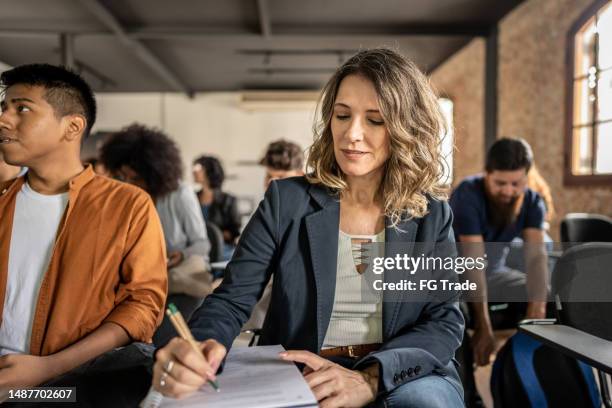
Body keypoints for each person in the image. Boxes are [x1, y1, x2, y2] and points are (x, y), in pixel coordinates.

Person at [153, 48, 465, 408]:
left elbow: (443, 321)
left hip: (401, 373)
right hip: (303, 367)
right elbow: (233, 297)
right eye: (342, 115)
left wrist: (369, 377)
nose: (352, 134)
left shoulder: (432, 214)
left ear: (405, 127)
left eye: (375, 120)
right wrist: (203, 343)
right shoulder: (286, 201)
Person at [0, 64, 167, 389]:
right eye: (4, 108)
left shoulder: (128, 206)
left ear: (72, 127)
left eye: (22, 108)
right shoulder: (4, 201)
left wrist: (46, 369)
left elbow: (142, 307)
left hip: (72, 386)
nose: (4, 119)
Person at [450, 138, 549, 406]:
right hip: (454, 277)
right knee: (451, 314)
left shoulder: (532, 202)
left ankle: (537, 386)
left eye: (516, 184)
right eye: (500, 183)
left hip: (496, 274)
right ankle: (470, 399)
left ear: (526, 178)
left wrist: (536, 313)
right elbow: (473, 263)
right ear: (487, 174)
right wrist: (484, 327)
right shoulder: (467, 194)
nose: (508, 191)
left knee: (552, 300)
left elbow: (536, 259)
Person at [100, 124, 211, 346]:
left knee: (158, 339)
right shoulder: (127, 196)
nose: (129, 182)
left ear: (154, 171)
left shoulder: (180, 194)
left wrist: (180, 254)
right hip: (138, 280)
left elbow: (202, 244)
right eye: (124, 176)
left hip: (180, 283)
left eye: (135, 176)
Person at [192, 155, 241, 260]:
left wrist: (212, 235)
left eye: (198, 168)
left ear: (209, 171)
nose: (194, 171)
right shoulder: (192, 198)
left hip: (221, 251)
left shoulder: (228, 200)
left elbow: (234, 232)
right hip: (197, 251)